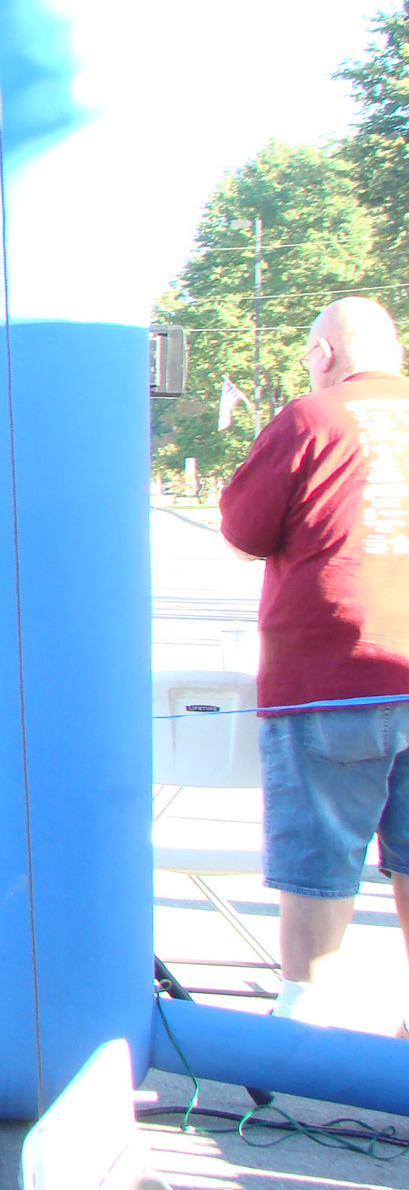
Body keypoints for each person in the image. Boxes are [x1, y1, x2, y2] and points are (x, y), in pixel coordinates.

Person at [219, 296, 409, 1028]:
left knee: (319, 858)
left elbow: (244, 531)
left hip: (331, 676)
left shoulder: (311, 418)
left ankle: (305, 1017)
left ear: (324, 353)